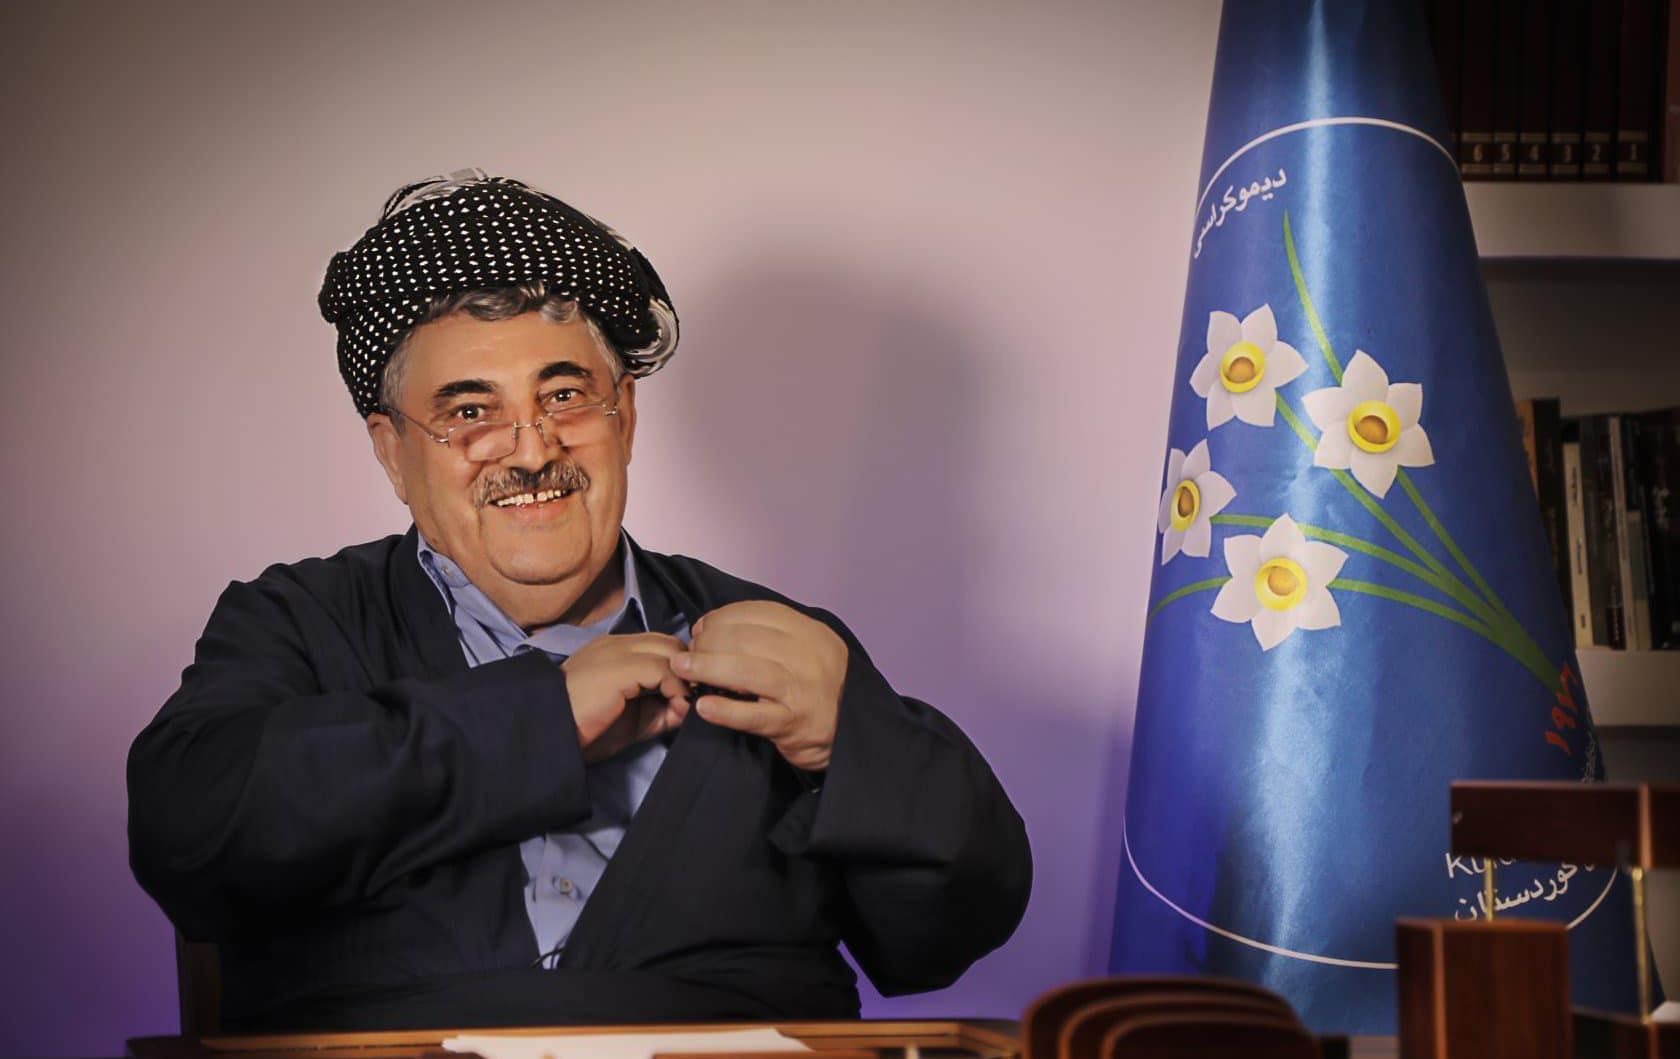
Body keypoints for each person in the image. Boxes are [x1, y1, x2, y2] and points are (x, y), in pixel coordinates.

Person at [127, 170, 1032, 1032]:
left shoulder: (780, 643)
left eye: (564, 395)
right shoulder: (299, 621)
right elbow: (188, 836)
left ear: (623, 416)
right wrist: (543, 718)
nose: (530, 449)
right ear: (393, 452)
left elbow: (952, 931)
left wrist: (852, 742)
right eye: (470, 412)